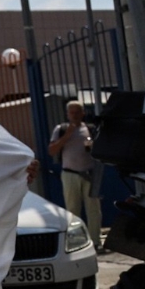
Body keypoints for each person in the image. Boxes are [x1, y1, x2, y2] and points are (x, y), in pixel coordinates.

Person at [49, 100, 101, 250]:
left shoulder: (89, 129)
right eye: (72, 112)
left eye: (78, 112)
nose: (75, 115)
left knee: (94, 210)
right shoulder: (61, 129)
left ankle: (95, 242)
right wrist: (67, 135)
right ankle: (76, 242)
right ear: (67, 114)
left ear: (83, 113)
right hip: (70, 173)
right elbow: (52, 150)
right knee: (72, 209)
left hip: (89, 173)